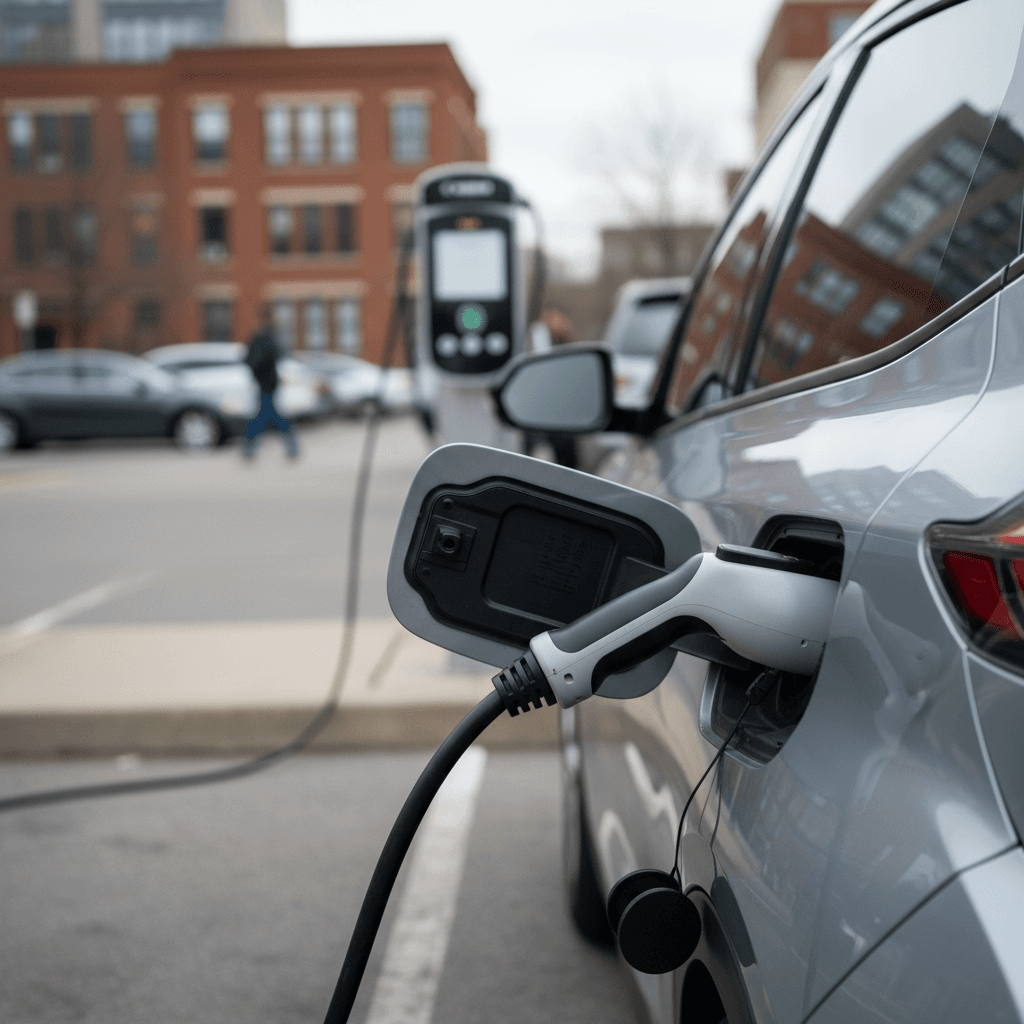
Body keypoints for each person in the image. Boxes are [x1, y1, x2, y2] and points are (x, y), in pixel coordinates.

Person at [242, 305, 299, 459]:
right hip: (264, 382)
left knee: (266, 417)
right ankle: (291, 447)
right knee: (267, 417)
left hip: (267, 383)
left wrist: (254, 362)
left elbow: (259, 358)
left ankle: (250, 448)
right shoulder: (264, 336)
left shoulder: (267, 337)